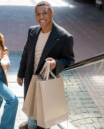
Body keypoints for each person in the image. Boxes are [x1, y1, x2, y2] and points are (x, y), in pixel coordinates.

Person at [17, 1, 75, 129]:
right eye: (38, 14)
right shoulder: (32, 31)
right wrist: (20, 74)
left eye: (45, 13)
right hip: (30, 80)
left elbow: (70, 60)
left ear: (52, 13)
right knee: (31, 113)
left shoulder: (64, 37)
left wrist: (57, 63)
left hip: (46, 83)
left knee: (44, 117)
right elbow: (26, 54)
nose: (41, 17)